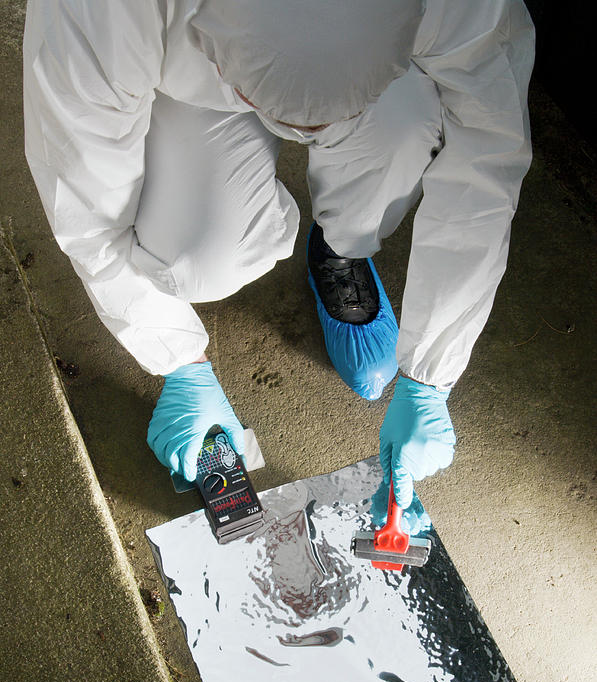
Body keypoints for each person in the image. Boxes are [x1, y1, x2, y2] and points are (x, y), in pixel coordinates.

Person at [23, 0, 535, 532]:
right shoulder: (98, 16)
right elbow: (87, 211)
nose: (306, 140)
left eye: (321, 125)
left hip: (381, 86)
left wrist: (434, 371)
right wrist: (177, 358)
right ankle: (253, 135)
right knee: (197, 257)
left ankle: (341, 246)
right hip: (184, 87)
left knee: (404, 127)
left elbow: (486, 165)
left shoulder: (463, 9)